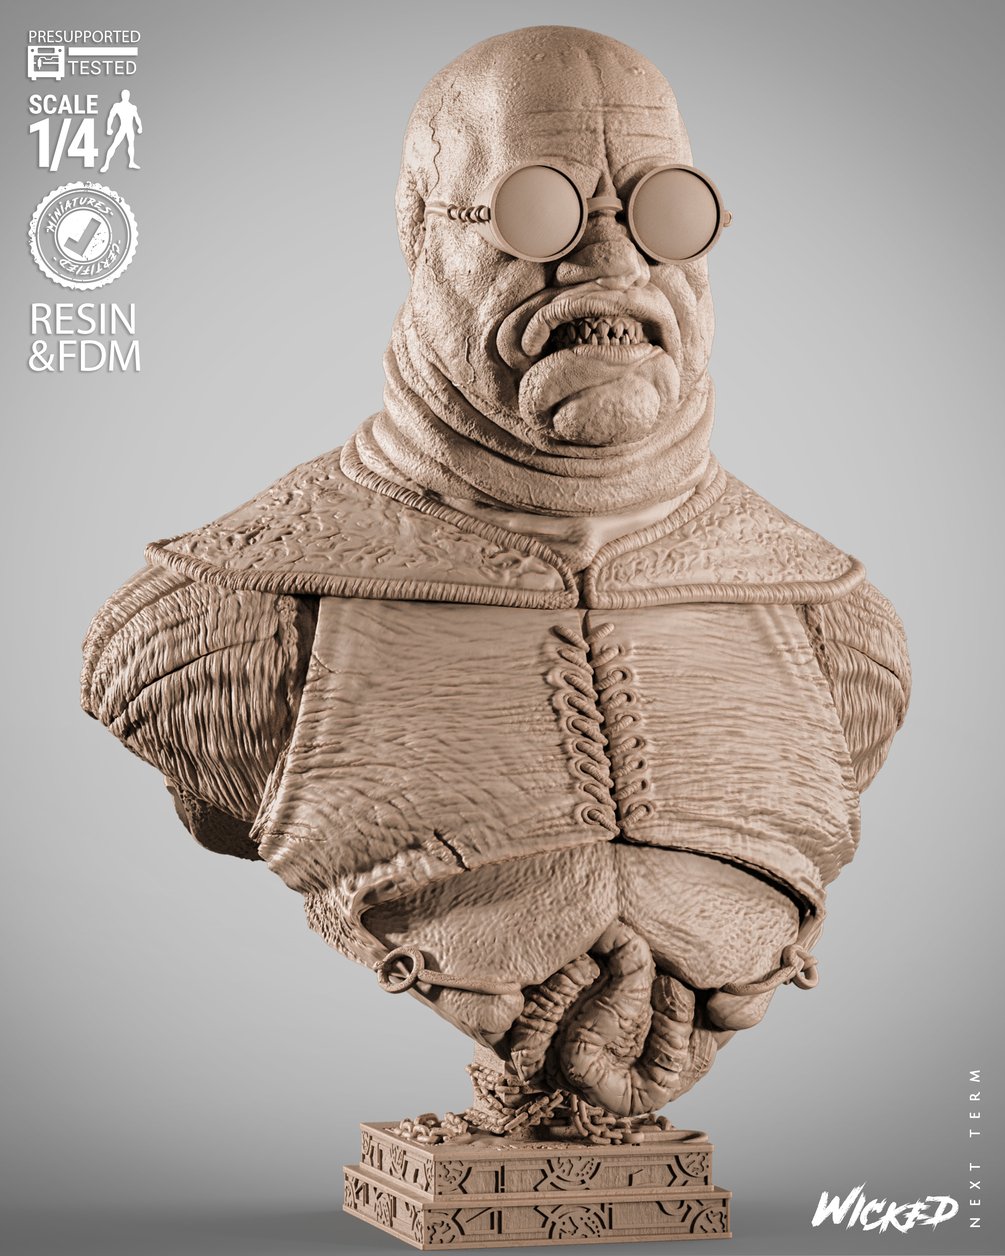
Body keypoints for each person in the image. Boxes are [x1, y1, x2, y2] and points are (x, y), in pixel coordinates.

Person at [82, 27, 909, 1130]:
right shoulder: (217, 625)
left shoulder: (837, 632)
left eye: (666, 211)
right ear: (422, 230)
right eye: (538, 210)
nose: (613, 265)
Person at [99, 89, 141, 172]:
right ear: (122, 96)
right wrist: (108, 128)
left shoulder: (132, 107)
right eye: (124, 95)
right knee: (114, 145)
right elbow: (111, 117)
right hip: (122, 128)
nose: (125, 96)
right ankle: (106, 164)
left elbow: (137, 118)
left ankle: (131, 162)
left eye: (127, 95)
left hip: (130, 129)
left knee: (131, 145)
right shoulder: (117, 106)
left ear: (129, 96)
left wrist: (140, 127)